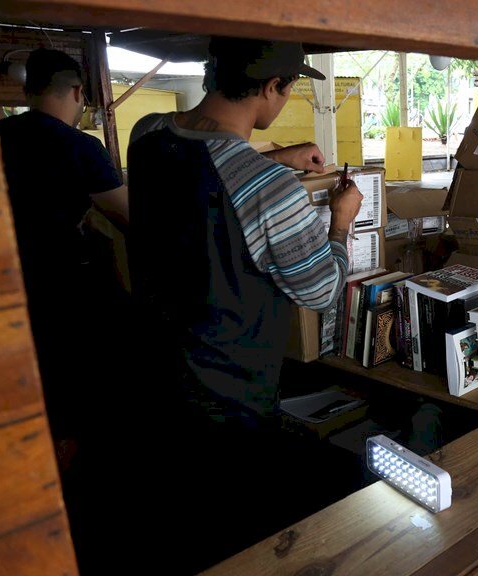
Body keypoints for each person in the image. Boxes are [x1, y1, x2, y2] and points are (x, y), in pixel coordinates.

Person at [125, 37, 363, 573]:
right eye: (289, 88)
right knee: (234, 528)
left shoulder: (147, 137)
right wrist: (340, 222)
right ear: (273, 87)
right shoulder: (271, 190)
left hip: (156, 367)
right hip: (230, 390)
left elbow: (206, 154)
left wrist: (276, 158)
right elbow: (321, 288)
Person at [0, 48, 129, 445]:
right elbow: (130, 219)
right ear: (75, 92)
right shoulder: (80, 147)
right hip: (65, 287)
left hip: (6, 286)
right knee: (78, 392)